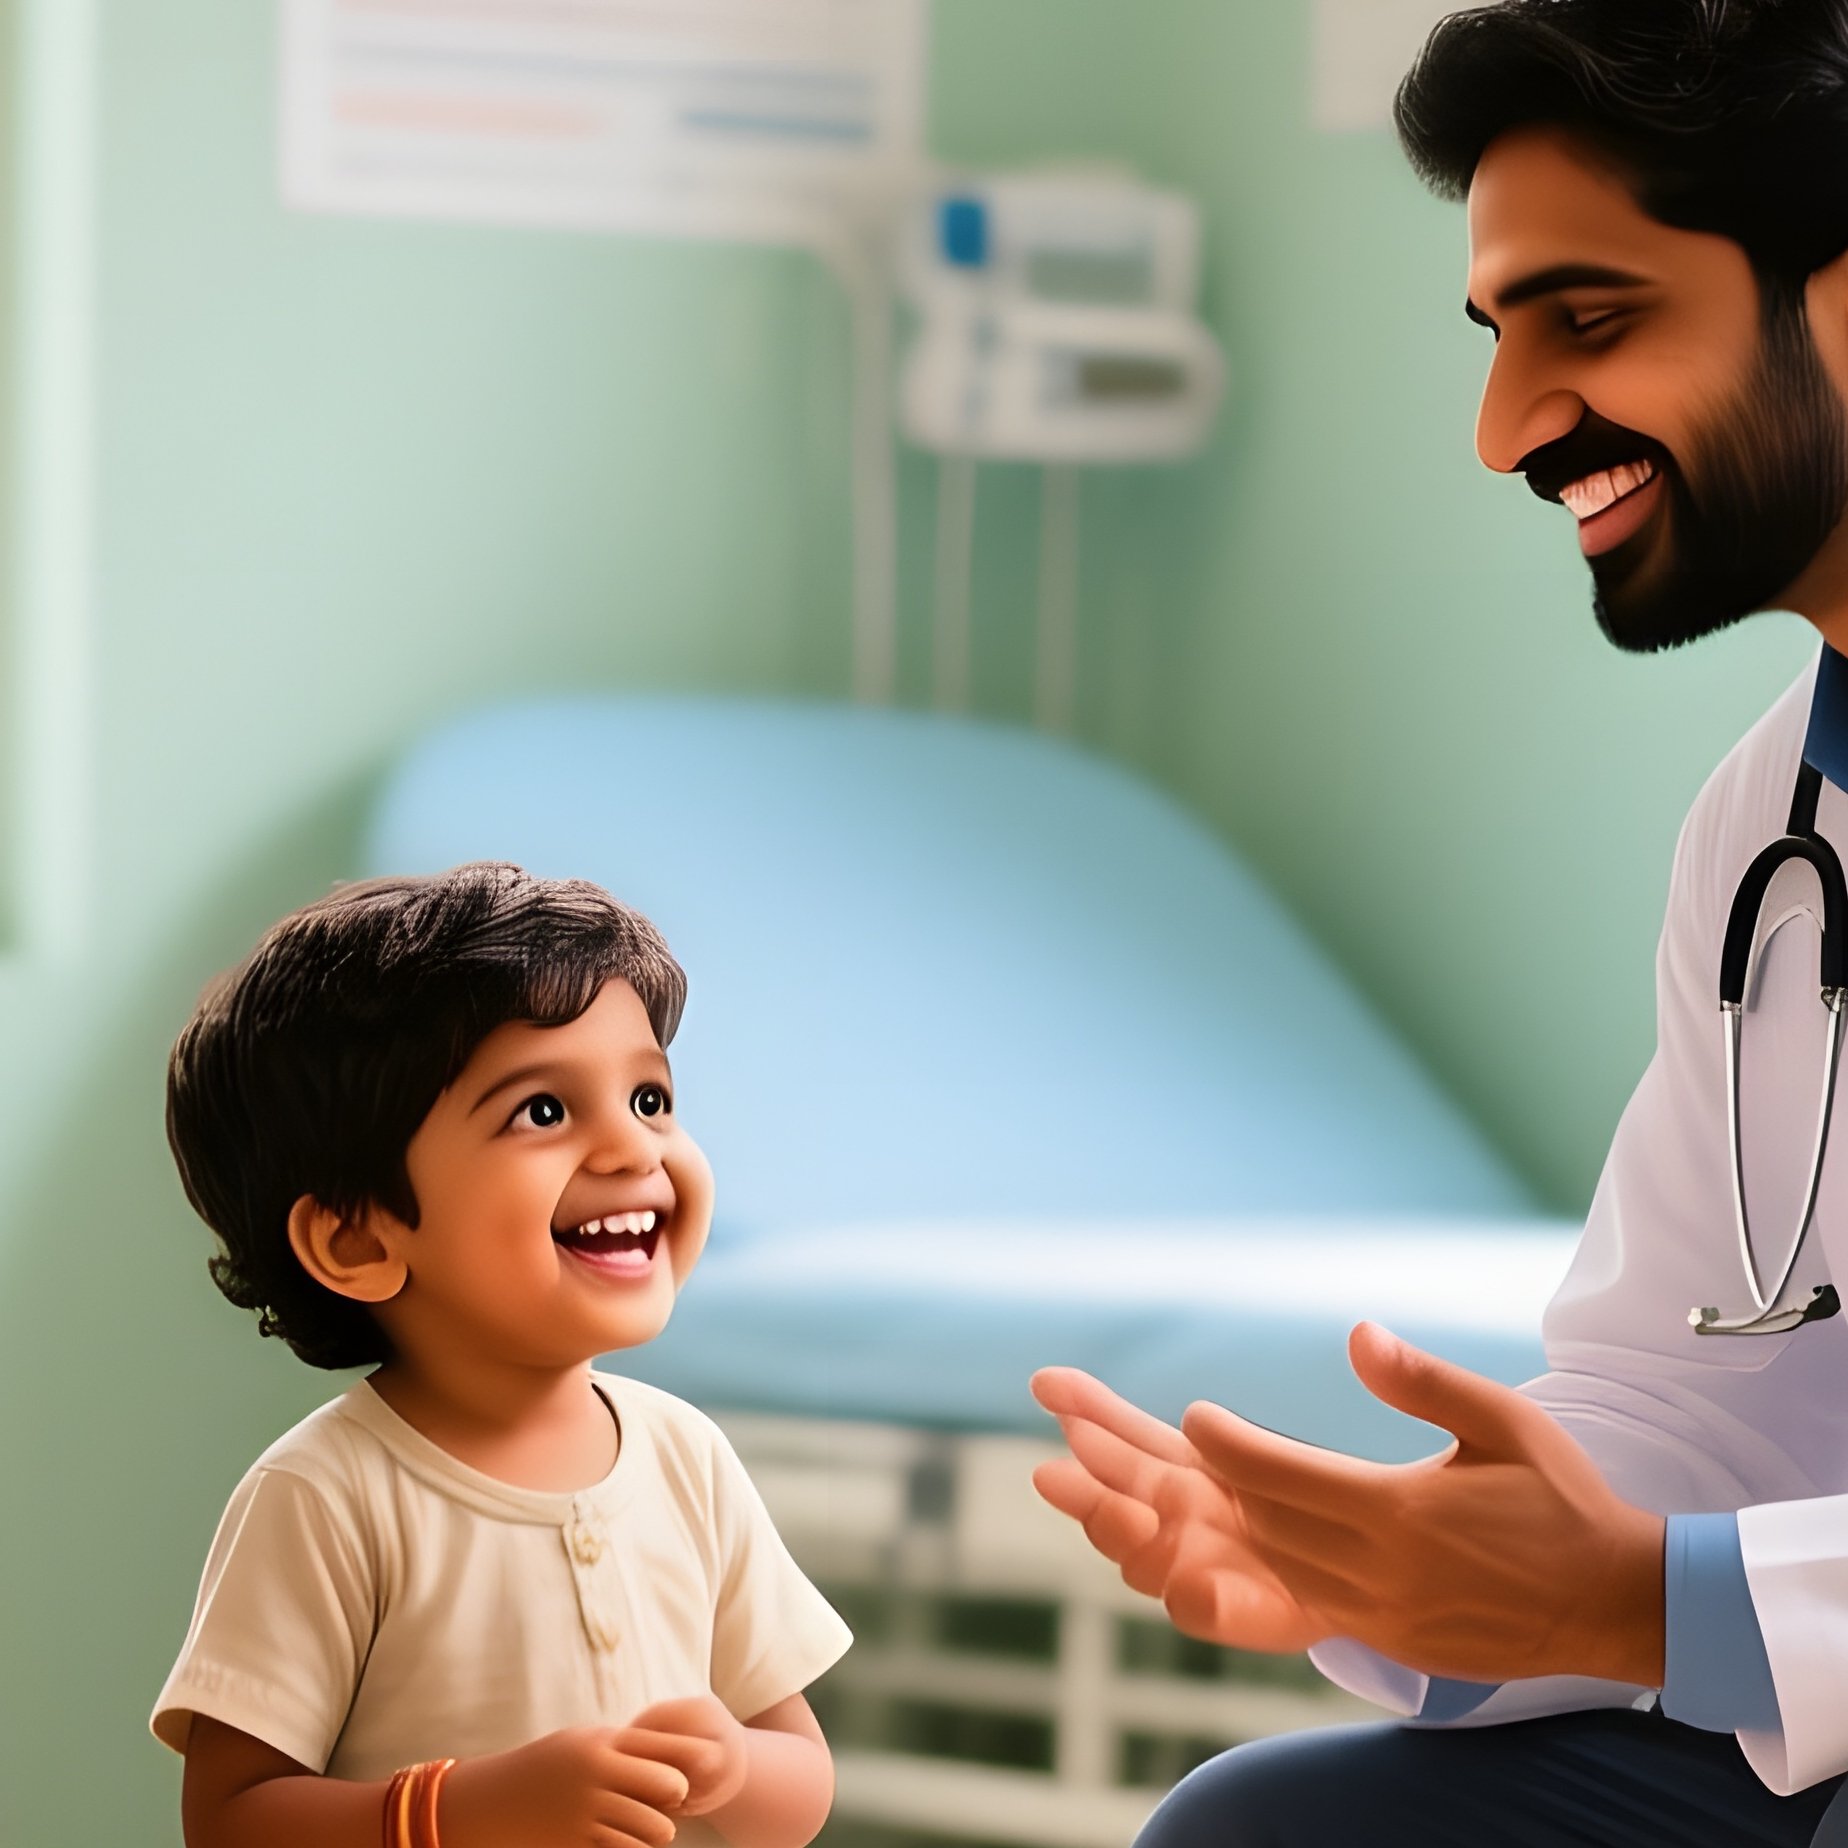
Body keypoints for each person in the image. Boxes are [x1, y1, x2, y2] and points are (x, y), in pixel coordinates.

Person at [1030, 3, 1848, 1844]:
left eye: (1591, 319)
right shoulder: (1767, 820)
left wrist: (1649, 1601)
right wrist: (1388, 1572)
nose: (1503, 433)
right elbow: (1696, 1398)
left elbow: (1678, 1573)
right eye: (1496, 341)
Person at [150, 863, 850, 1848]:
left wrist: (732, 1768)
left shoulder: (686, 1458)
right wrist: (459, 1811)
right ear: (359, 1241)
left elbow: (802, 1783)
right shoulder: (327, 1495)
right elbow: (231, 1821)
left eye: (649, 1097)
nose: (632, 1148)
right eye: (544, 1112)